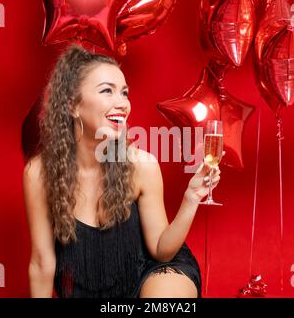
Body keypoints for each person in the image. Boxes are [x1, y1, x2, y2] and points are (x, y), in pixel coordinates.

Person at [22, 44, 221, 298]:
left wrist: (190, 198)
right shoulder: (38, 174)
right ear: (72, 105)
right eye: (107, 91)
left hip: (148, 275)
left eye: (124, 93)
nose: (122, 104)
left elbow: (162, 251)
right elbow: (41, 263)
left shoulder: (142, 165)